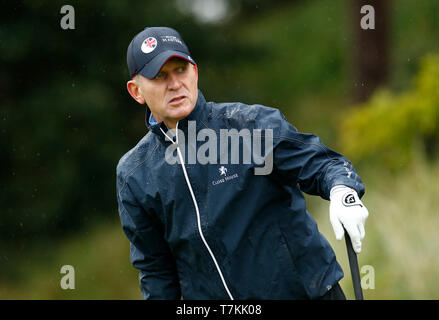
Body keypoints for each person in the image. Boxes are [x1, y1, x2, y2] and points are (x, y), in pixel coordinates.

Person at [116, 26, 369, 300]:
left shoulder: (247, 125)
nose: (175, 84)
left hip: (308, 293)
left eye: (181, 70)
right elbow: (156, 270)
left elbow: (320, 164)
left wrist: (342, 190)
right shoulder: (134, 175)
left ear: (195, 72)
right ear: (136, 91)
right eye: (160, 76)